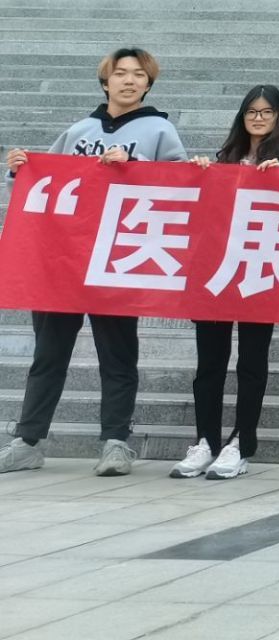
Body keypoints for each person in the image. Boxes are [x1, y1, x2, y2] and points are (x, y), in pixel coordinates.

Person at [1, 47, 188, 478]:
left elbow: (180, 186)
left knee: (117, 354)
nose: (129, 80)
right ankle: (28, 441)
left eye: (138, 74)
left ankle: (116, 442)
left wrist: (134, 165)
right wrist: (21, 169)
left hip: (117, 258)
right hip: (64, 259)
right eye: (120, 73)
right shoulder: (79, 130)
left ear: (148, 84)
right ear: (106, 81)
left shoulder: (160, 131)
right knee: (48, 353)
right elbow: (45, 186)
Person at [169, 85, 279, 482]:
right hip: (218, 271)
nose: (258, 118)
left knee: (251, 361)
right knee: (209, 363)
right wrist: (198, 175)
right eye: (251, 111)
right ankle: (205, 441)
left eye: (266, 112)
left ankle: (240, 443)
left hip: (260, 272)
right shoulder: (225, 158)